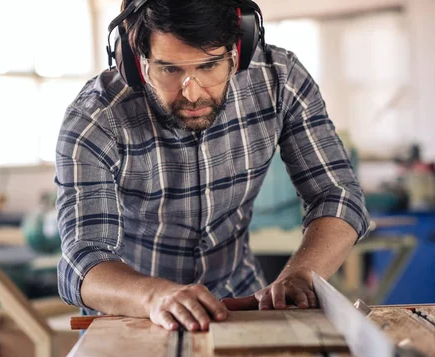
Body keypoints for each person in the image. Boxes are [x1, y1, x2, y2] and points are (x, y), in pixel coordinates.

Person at [54, 0, 370, 332]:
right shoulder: (95, 118)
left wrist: (301, 275)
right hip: (137, 314)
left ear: (239, 50)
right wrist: (154, 297)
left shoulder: (280, 80)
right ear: (136, 60)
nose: (191, 94)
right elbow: (81, 261)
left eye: (209, 66)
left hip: (241, 304)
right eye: (169, 69)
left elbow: (338, 195)